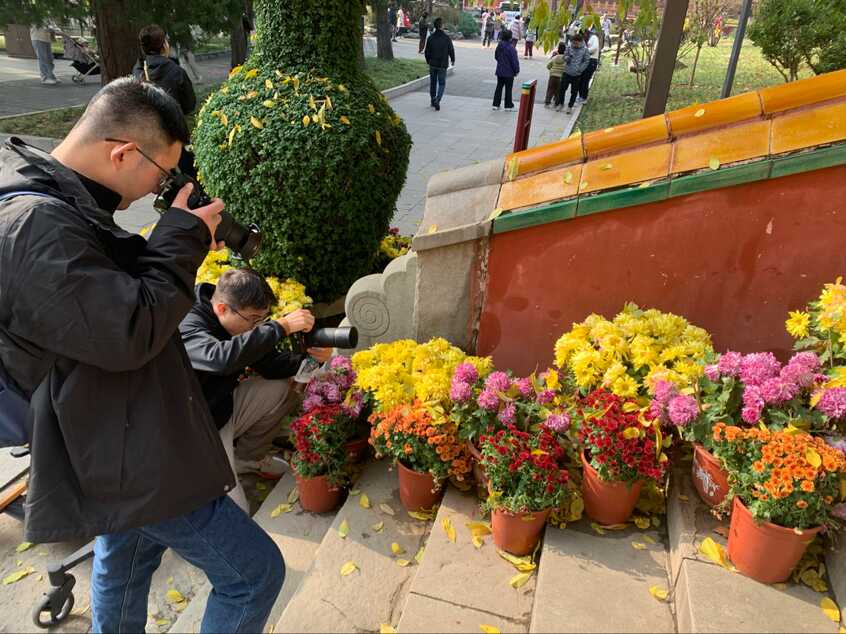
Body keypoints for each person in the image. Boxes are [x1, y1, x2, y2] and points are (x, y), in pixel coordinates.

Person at [0, 77, 284, 633]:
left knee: (125, 564)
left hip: (119, 433)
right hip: (124, 450)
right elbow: (129, 329)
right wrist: (180, 238)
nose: (162, 186)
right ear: (124, 152)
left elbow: (105, 302)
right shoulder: (35, 225)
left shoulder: (59, 199)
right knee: (254, 574)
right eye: (163, 171)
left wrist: (182, 237)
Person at [179, 269, 331, 512]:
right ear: (222, 309)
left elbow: (270, 364)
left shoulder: (237, 319)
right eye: (253, 319)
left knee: (282, 388)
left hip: (221, 409)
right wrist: (279, 327)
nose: (256, 327)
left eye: (262, 320)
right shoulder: (187, 319)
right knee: (237, 512)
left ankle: (246, 459)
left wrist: (315, 359)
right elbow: (219, 358)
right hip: (191, 429)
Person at [132, 25, 196, 115]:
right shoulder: (177, 72)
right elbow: (189, 105)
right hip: (172, 122)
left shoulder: (137, 70)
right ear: (164, 46)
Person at [424, 17, 455, 112]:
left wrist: (428, 60)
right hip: (442, 64)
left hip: (433, 64)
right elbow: (451, 50)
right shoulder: (446, 38)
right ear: (441, 26)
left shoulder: (431, 38)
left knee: (433, 83)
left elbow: (426, 52)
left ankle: (433, 100)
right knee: (442, 83)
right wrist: (453, 59)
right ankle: (438, 99)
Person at [557, 33, 590, 114]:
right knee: (562, 89)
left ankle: (570, 106)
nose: (574, 44)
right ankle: (561, 104)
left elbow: (586, 61)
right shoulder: (569, 47)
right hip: (567, 72)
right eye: (573, 42)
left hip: (577, 74)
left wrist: (580, 69)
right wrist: (567, 58)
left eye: (576, 43)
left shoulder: (585, 50)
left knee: (574, 92)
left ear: (580, 42)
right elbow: (564, 57)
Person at [492, 29, 519, 111]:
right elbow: (514, 61)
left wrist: (501, 62)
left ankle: (495, 104)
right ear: (510, 38)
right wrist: (516, 70)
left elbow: (496, 56)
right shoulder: (511, 48)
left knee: (499, 87)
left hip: (500, 70)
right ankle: (508, 106)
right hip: (509, 72)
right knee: (508, 89)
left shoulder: (499, 46)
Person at [579, 29, 600, 103]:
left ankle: (584, 97)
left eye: (583, 34)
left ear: (586, 32)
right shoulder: (586, 40)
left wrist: (585, 51)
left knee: (585, 79)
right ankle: (581, 96)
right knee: (581, 79)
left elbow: (595, 48)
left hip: (592, 61)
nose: (583, 36)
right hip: (585, 61)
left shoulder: (594, 37)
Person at [544, 42, 567, 108]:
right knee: (558, 91)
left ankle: (547, 103)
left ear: (558, 50)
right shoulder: (565, 59)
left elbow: (548, 66)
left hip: (552, 76)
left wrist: (552, 70)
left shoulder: (554, 58)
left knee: (550, 89)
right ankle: (556, 103)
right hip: (560, 77)